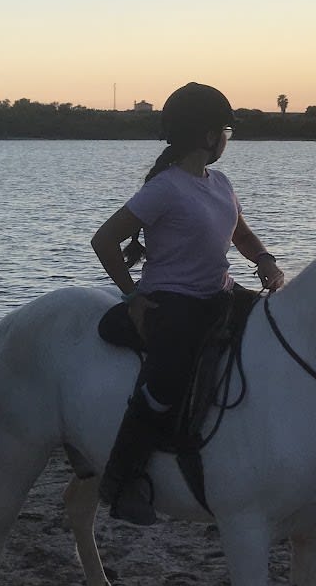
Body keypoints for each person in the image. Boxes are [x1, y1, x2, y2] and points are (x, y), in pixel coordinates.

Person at [90, 82, 285, 524]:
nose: (226, 141)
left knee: (272, 332)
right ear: (206, 135)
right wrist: (133, 296)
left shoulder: (220, 183)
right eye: (225, 132)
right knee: (168, 376)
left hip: (220, 292)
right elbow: (104, 240)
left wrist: (265, 261)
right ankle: (123, 479)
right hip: (172, 302)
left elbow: (241, 234)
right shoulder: (166, 188)